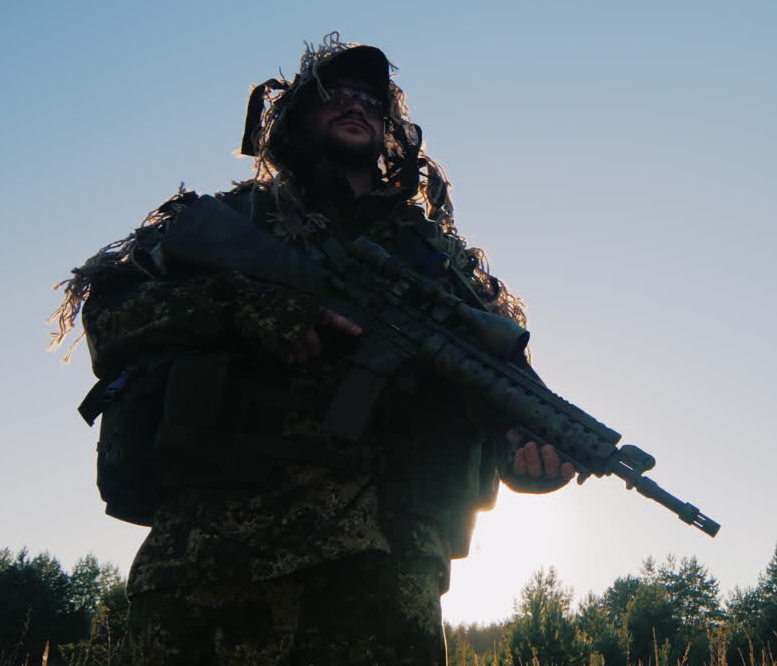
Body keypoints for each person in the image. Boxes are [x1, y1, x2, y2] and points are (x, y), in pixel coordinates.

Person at [51, 33, 574, 665]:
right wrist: (240, 310)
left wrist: (529, 449)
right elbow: (108, 312)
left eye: (371, 101)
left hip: (385, 579)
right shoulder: (232, 221)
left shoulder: (442, 267)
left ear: (391, 131)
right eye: (336, 95)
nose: (356, 105)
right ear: (296, 118)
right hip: (214, 561)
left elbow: (505, 386)